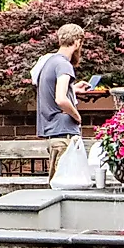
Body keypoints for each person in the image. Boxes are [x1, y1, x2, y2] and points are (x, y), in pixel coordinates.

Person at [40, 23, 99, 188]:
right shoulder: (64, 65)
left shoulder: (50, 62)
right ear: (77, 42)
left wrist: (73, 89)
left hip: (54, 134)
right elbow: (60, 99)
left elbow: (53, 90)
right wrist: (76, 115)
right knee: (66, 191)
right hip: (64, 135)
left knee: (56, 189)